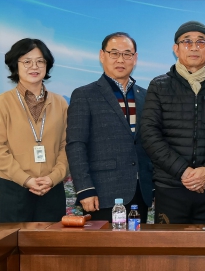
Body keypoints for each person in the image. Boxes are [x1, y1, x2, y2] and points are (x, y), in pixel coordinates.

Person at [139, 21, 205, 224]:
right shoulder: (159, 85)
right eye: (187, 42)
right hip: (170, 186)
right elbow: (149, 134)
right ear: (176, 49)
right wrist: (184, 172)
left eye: (200, 42)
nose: (194, 47)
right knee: (169, 244)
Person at [66, 32, 154, 223]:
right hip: (102, 193)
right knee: (105, 243)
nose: (120, 60)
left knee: (139, 241)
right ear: (102, 55)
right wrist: (85, 189)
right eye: (114, 53)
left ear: (135, 58)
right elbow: (76, 144)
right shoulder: (85, 95)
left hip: (140, 192)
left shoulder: (145, 96)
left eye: (127, 54)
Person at [0, 38, 68, 223]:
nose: (34, 66)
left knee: (50, 240)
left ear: (47, 65)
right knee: (12, 241)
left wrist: (54, 177)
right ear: (15, 65)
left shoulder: (60, 103)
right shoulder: (2, 102)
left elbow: (67, 146)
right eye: (27, 61)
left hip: (51, 189)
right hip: (12, 189)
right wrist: (25, 179)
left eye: (40, 61)